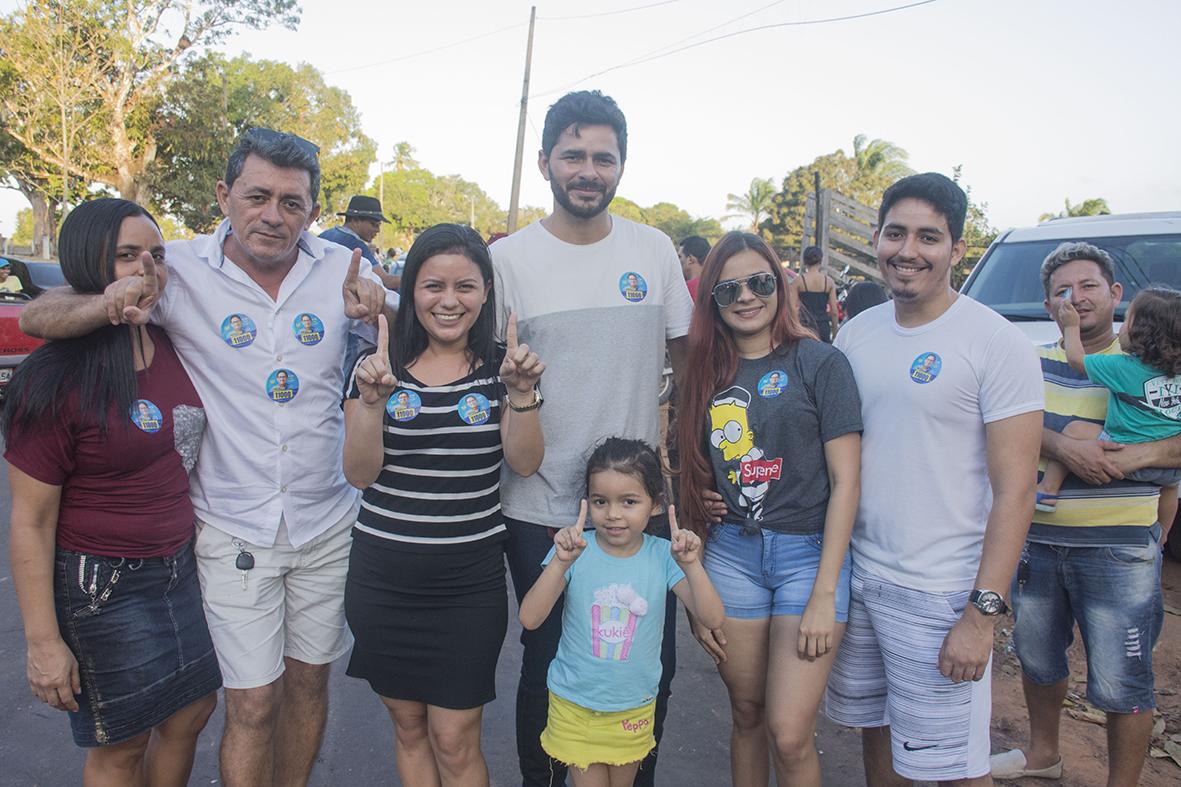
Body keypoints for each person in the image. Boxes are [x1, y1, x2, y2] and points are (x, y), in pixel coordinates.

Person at [19, 127, 391, 787]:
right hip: (230, 523)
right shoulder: (177, 269)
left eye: (291, 202)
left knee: (308, 684)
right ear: (225, 195)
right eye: (257, 196)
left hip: (326, 518)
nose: (272, 215)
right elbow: (38, 318)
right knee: (250, 701)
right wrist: (108, 303)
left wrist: (382, 314)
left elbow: (436, 310)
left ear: (312, 211)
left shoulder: (343, 270)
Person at [491, 89, 694, 787]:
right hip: (537, 505)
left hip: (635, 507)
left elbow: (690, 362)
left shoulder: (654, 250)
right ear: (544, 160)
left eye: (602, 157)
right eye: (573, 154)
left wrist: (680, 467)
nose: (587, 169)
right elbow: (491, 375)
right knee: (548, 660)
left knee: (644, 665)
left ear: (621, 166)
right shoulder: (509, 261)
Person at [823, 173, 1044, 786]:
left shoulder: (995, 343)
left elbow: (1017, 491)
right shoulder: (856, 334)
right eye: (896, 233)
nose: (908, 250)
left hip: (942, 594)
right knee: (880, 740)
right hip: (862, 580)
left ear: (957, 249)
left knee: (952, 767)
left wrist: (981, 616)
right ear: (876, 239)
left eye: (929, 236)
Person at [6, 198, 220, 786]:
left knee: (189, 714)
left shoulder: (169, 338)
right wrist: (43, 643)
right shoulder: (56, 373)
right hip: (103, 585)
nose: (147, 270)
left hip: (181, 571)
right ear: (90, 261)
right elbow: (30, 519)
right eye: (127, 256)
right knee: (122, 745)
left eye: (156, 255)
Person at [343, 223, 545, 787]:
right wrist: (370, 402)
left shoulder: (505, 369)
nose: (449, 301)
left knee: (455, 742)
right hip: (383, 580)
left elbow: (525, 463)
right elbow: (360, 474)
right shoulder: (377, 366)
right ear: (411, 292)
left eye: (465, 287)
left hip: (467, 587)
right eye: (433, 286)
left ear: (485, 293)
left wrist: (523, 396)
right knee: (409, 732)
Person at [677, 231, 862, 786]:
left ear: (779, 286)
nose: (746, 297)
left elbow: (846, 482)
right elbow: (696, 473)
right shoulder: (706, 374)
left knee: (788, 729)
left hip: (809, 557)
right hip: (731, 554)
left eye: (759, 282)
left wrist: (825, 593)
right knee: (747, 714)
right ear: (711, 298)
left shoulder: (821, 363)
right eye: (728, 287)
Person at [992, 242, 1177, 786]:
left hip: (1119, 551)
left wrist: (1140, 456)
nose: (1076, 298)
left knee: (1125, 681)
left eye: (1088, 286)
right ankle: (1044, 754)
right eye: (1062, 291)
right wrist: (1065, 447)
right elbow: (997, 432)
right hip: (1037, 543)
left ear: (1116, 294)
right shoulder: (1027, 363)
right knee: (1038, 660)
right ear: (1049, 305)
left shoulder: (1156, 364)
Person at [519, 438, 724, 787]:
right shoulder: (575, 551)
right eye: (601, 501)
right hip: (575, 705)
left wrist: (692, 565)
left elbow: (713, 617)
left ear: (655, 504)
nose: (613, 514)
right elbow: (530, 618)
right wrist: (559, 564)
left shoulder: (662, 556)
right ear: (588, 503)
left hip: (633, 707)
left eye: (629, 502)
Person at [1034, 285, 1181, 525]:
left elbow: (1075, 359)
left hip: (1120, 453)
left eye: (1125, 321)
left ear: (1140, 333)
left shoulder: (1122, 367)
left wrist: (1071, 327)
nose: (1120, 328)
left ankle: (1047, 490)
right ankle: (1163, 532)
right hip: (1168, 467)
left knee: (1075, 430)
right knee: (1171, 488)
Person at [321, 194, 400, 290]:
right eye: (374, 224)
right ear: (356, 221)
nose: (378, 230)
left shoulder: (325, 234)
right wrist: (416, 280)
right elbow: (385, 281)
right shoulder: (356, 245)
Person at [790, 245, 840, 343]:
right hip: (823, 325)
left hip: (805, 325)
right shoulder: (829, 282)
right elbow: (834, 312)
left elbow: (793, 308)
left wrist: (795, 329)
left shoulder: (798, 281)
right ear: (820, 260)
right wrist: (835, 335)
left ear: (805, 261)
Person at [678, 235, 710, 301]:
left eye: (680, 257)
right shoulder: (714, 285)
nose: (677, 261)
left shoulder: (684, 291)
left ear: (690, 259)